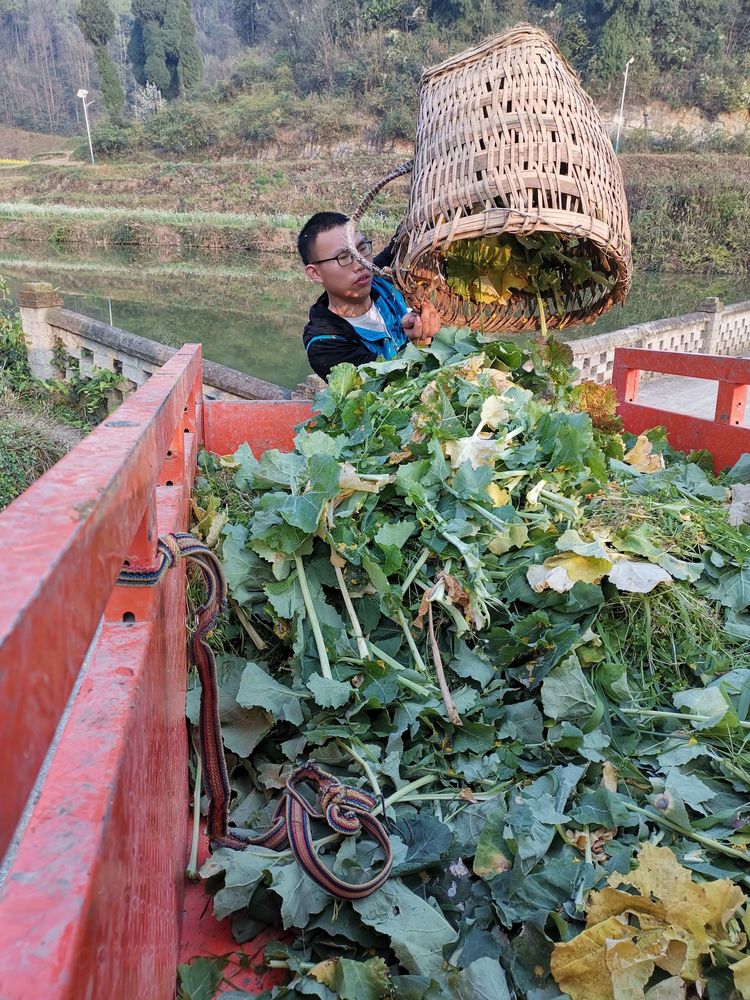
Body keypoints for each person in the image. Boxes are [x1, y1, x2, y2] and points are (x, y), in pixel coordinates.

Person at [298, 211, 441, 381]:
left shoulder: (379, 277)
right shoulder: (324, 345)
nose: (361, 263)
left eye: (362, 248)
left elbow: (404, 240)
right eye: (344, 257)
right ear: (315, 273)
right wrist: (418, 344)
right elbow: (384, 389)